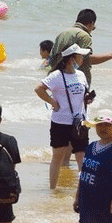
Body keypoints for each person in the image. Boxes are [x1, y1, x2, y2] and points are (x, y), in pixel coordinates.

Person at [36, 45, 92, 189]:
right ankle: (53, 190)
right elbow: (39, 89)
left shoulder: (81, 75)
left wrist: (87, 99)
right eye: (80, 56)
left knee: (82, 158)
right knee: (57, 158)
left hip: (80, 121)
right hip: (60, 122)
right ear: (71, 58)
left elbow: (82, 94)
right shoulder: (56, 75)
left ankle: (83, 191)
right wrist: (52, 102)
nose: (82, 59)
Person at [46, 9, 112, 86]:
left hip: (58, 81)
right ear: (91, 24)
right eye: (93, 27)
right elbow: (87, 59)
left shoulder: (62, 33)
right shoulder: (84, 36)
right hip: (75, 84)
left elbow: (50, 59)